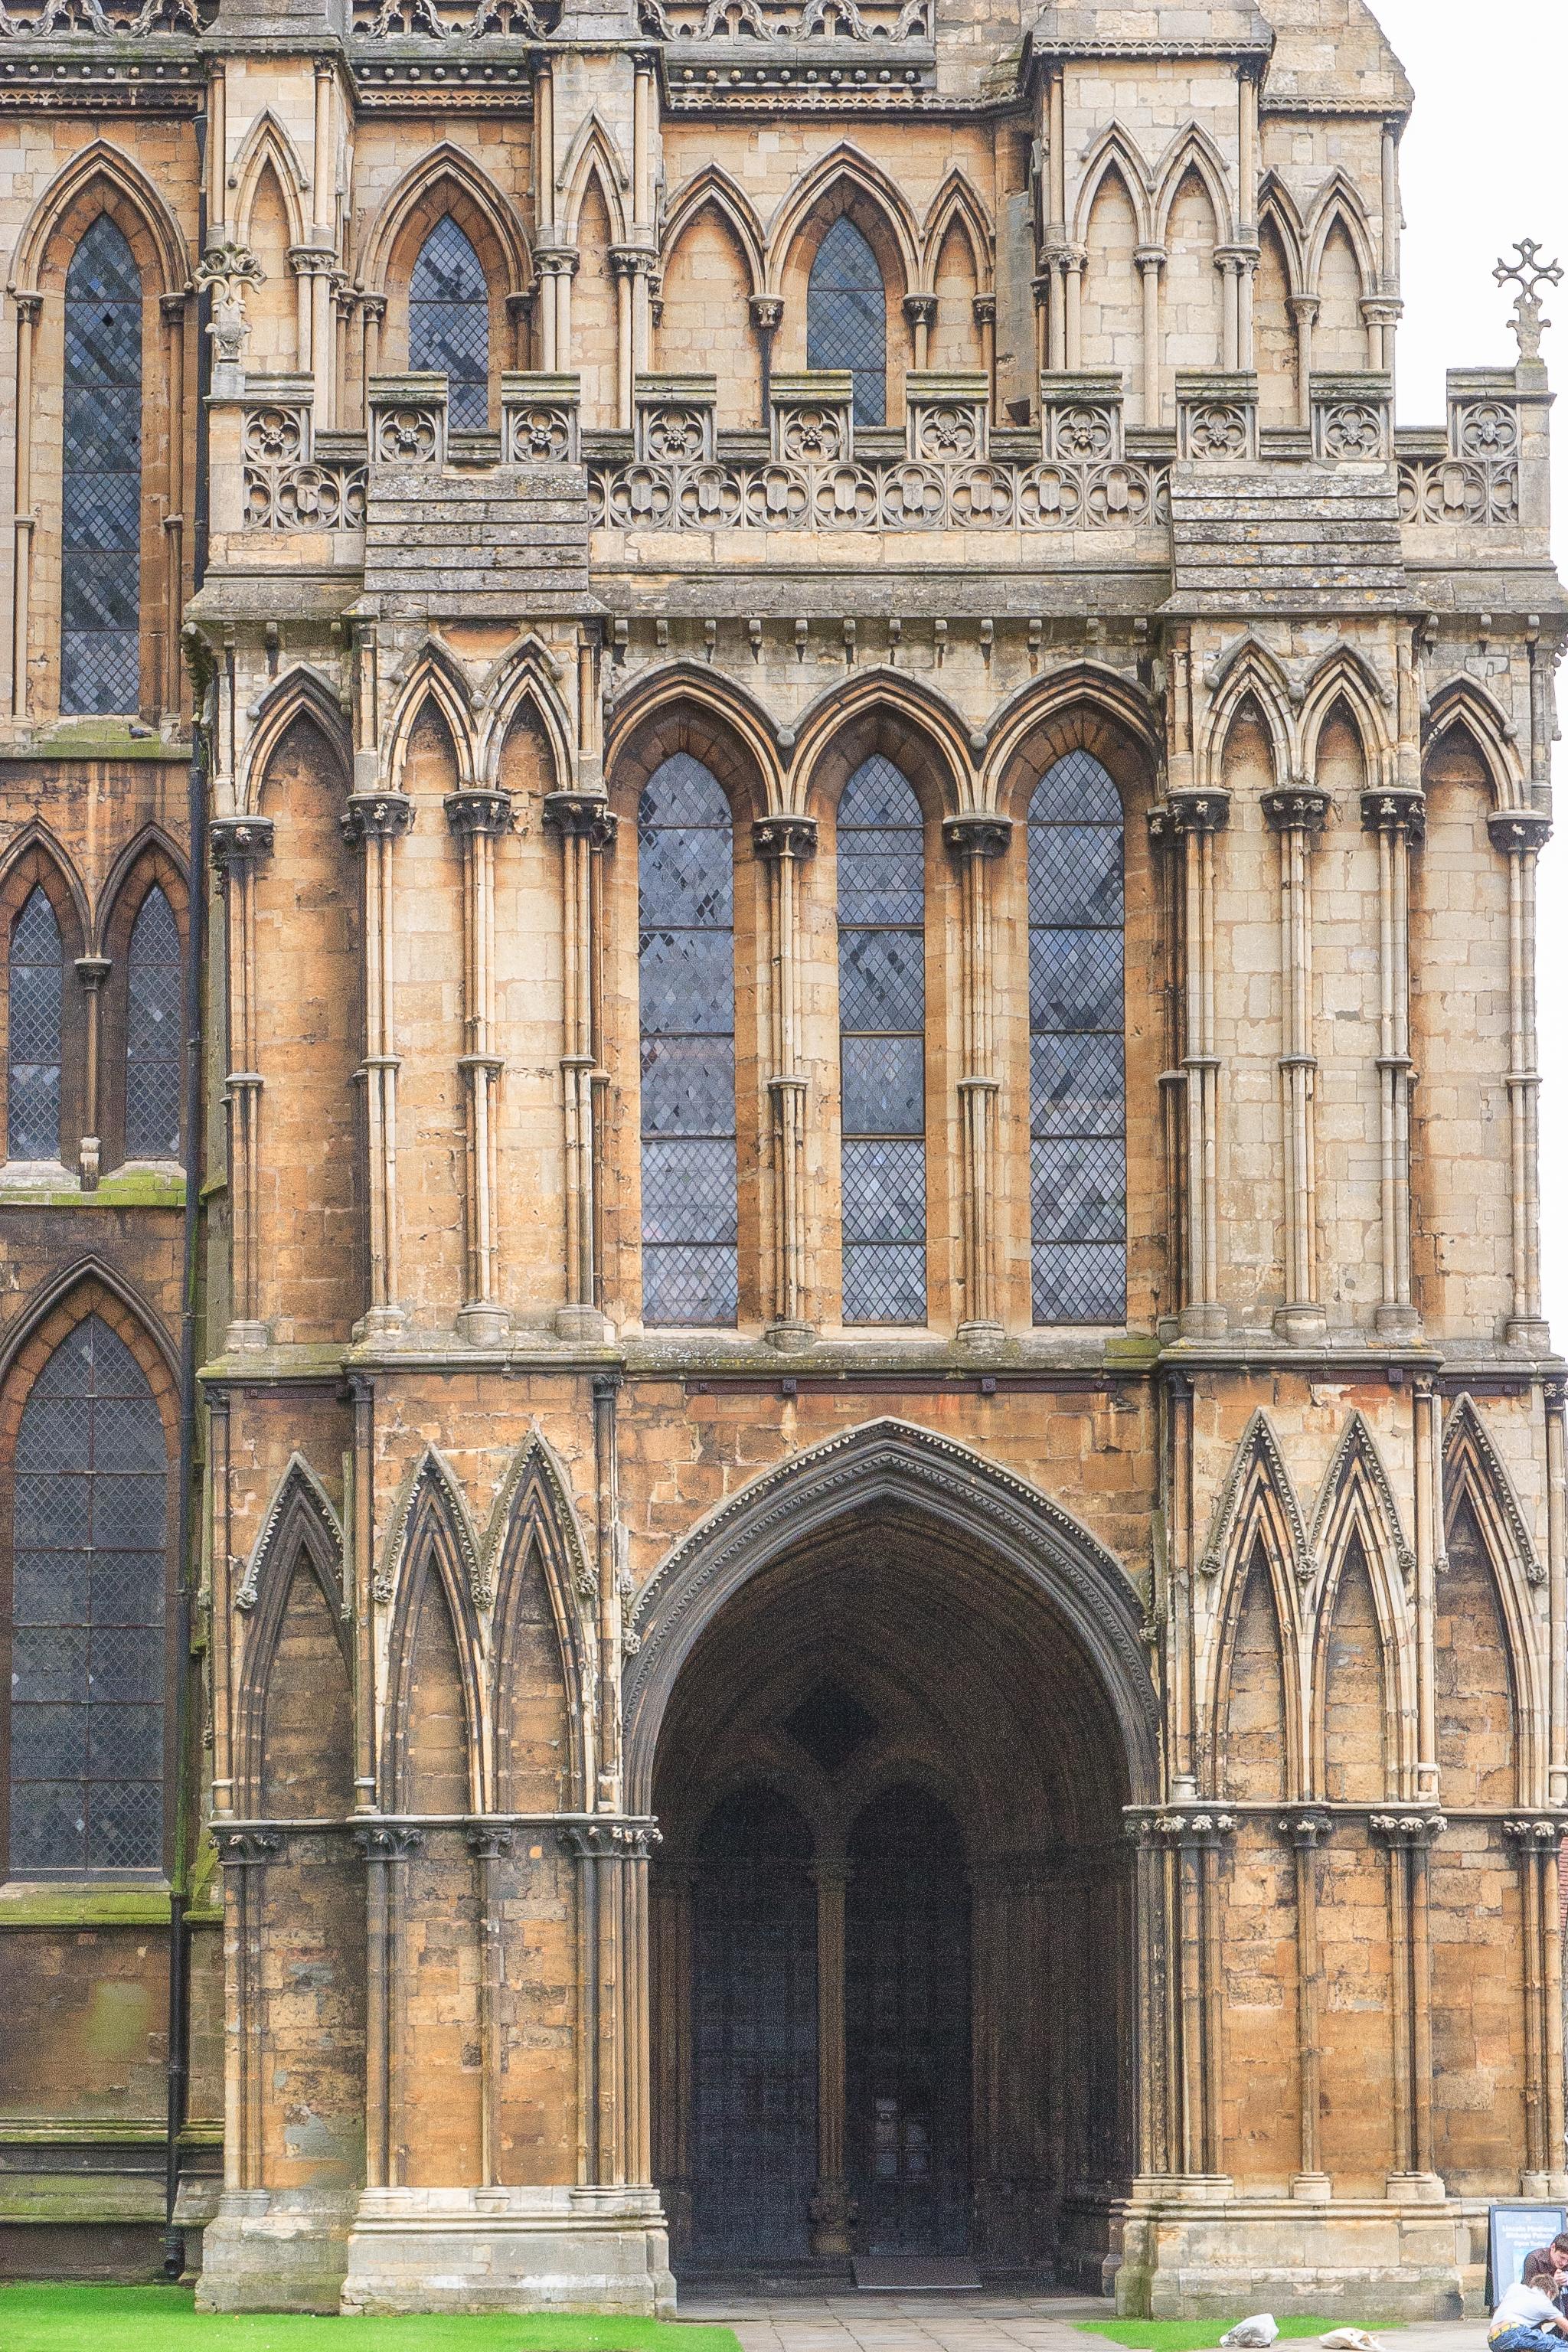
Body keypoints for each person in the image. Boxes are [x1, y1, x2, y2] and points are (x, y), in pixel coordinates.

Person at [1491, 2251, 1568, 2352]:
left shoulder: (1514, 2288)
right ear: (1550, 2292)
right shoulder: (1544, 2302)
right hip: (1514, 2333)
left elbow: (1499, 2309)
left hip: (1494, 2340)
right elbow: (1565, 2325)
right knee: (1561, 2345)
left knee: (1536, 2345)